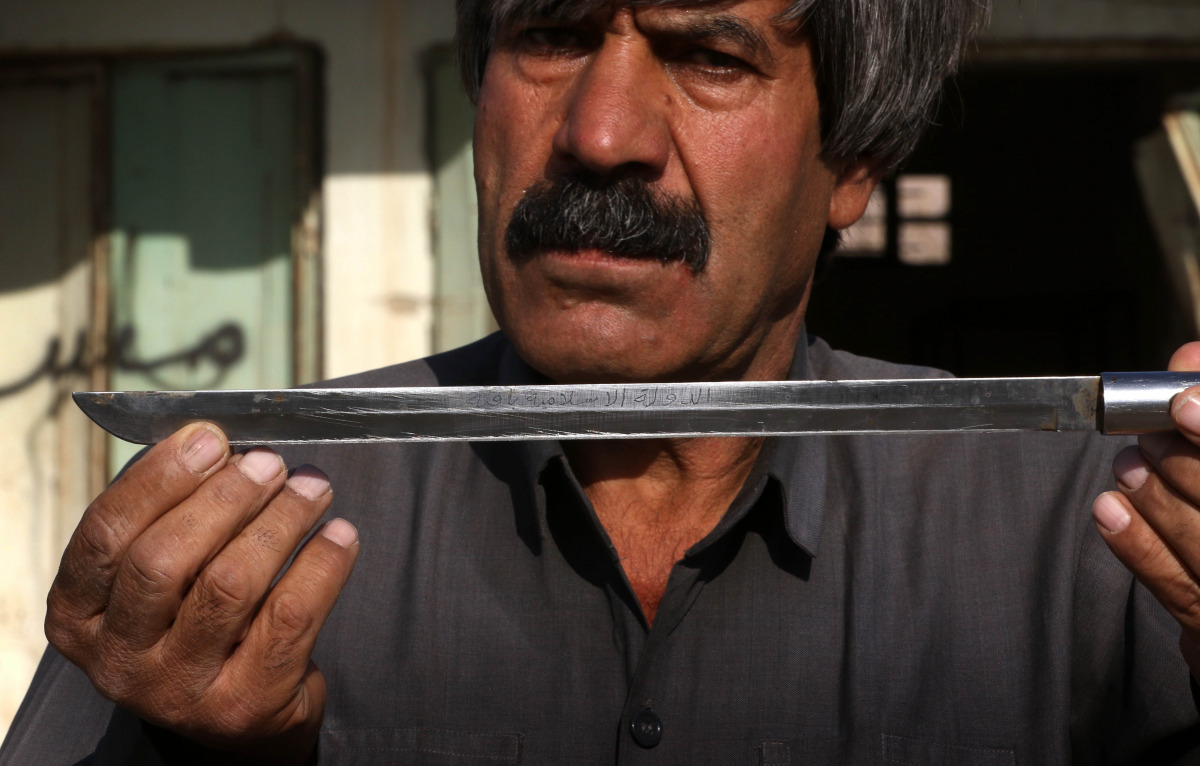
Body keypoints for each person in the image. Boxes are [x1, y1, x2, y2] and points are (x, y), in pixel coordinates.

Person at [5, 0, 1200, 762]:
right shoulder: (250, 525)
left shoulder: (1105, 547)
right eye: (553, 34)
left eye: (707, 54)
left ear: (855, 170)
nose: (601, 130)